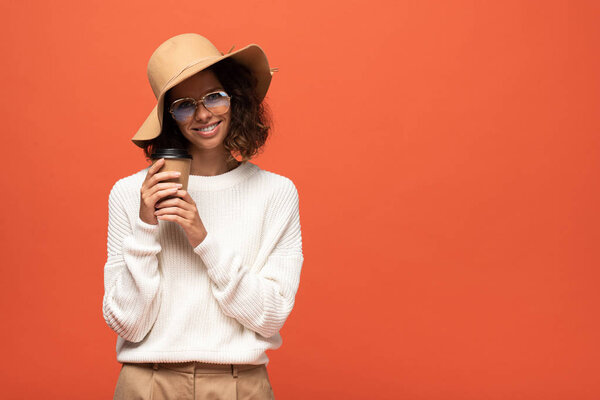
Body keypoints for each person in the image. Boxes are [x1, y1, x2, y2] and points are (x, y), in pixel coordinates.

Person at [102, 33, 304, 400]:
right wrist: (146, 227)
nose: (203, 114)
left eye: (214, 96)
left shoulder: (276, 193)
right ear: (169, 118)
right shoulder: (129, 194)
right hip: (147, 383)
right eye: (184, 104)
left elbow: (271, 316)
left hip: (239, 384)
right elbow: (129, 325)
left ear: (235, 99)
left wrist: (202, 238)